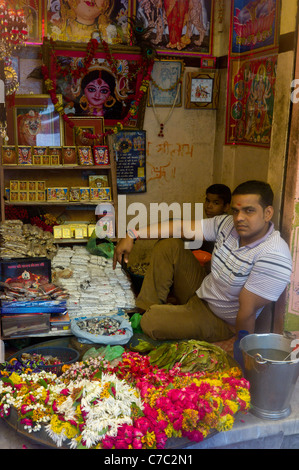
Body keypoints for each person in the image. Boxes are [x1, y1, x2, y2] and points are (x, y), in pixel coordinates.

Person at [113, 180, 292, 342]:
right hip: (202, 291)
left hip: (218, 319)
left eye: (249, 211)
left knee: (152, 322)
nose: (239, 218)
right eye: (236, 211)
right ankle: (146, 309)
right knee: (169, 246)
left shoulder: (274, 254)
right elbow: (180, 227)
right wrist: (132, 234)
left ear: (268, 213)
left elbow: (247, 312)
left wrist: (239, 347)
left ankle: (153, 316)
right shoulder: (227, 224)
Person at [201, 183, 231, 254]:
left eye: (216, 203)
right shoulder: (209, 220)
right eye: (208, 201)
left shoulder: (225, 226)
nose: (209, 206)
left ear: (226, 207)